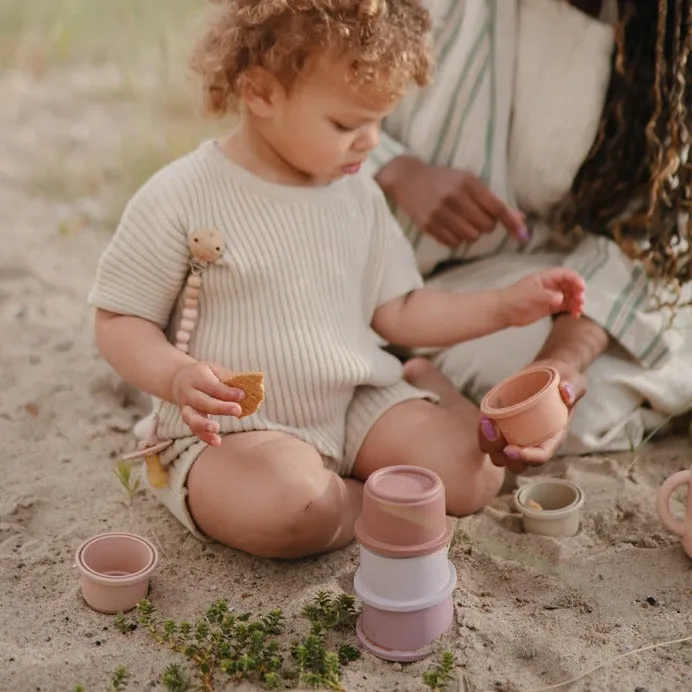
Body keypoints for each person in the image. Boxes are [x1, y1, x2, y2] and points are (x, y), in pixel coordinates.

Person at [88, 0, 586, 559]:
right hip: (235, 431)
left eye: (379, 122)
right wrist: (176, 376)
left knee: (472, 479)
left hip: (351, 405)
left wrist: (503, 307)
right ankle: (360, 501)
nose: (372, 143)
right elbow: (120, 318)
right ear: (261, 93)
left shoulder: (358, 195)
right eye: (348, 124)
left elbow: (400, 311)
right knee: (293, 511)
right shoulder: (182, 194)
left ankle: (421, 408)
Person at [367, 0, 692, 475]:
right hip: (359, 243)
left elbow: (645, 236)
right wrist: (395, 169)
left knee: (581, 402)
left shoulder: (670, 41)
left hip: (509, 273)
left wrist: (559, 365)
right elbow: (288, 80)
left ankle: (416, 363)